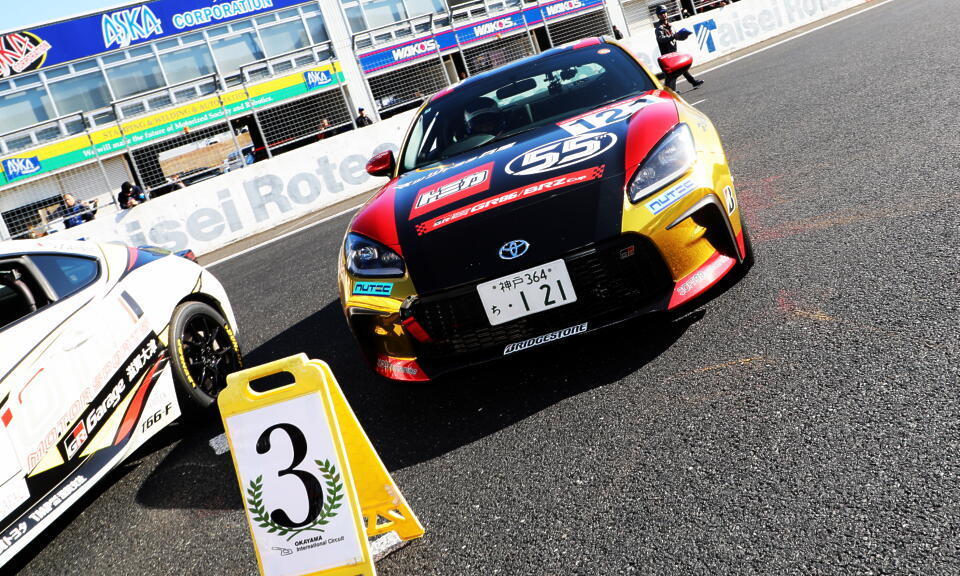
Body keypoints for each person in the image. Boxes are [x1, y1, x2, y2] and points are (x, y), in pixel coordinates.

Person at [654, 4, 704, 90]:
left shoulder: (670, 26)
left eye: (664, 12)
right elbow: (661, 39)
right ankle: (672, 91)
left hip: (674, 53)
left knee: (681, 68)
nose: (663, 15)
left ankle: (692, 82)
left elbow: (675, 37)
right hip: (667, 56)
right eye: (661, 13)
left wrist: (683, 36)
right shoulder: (659, 28)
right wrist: (674, 36)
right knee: (672, 75)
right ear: (658, 16)